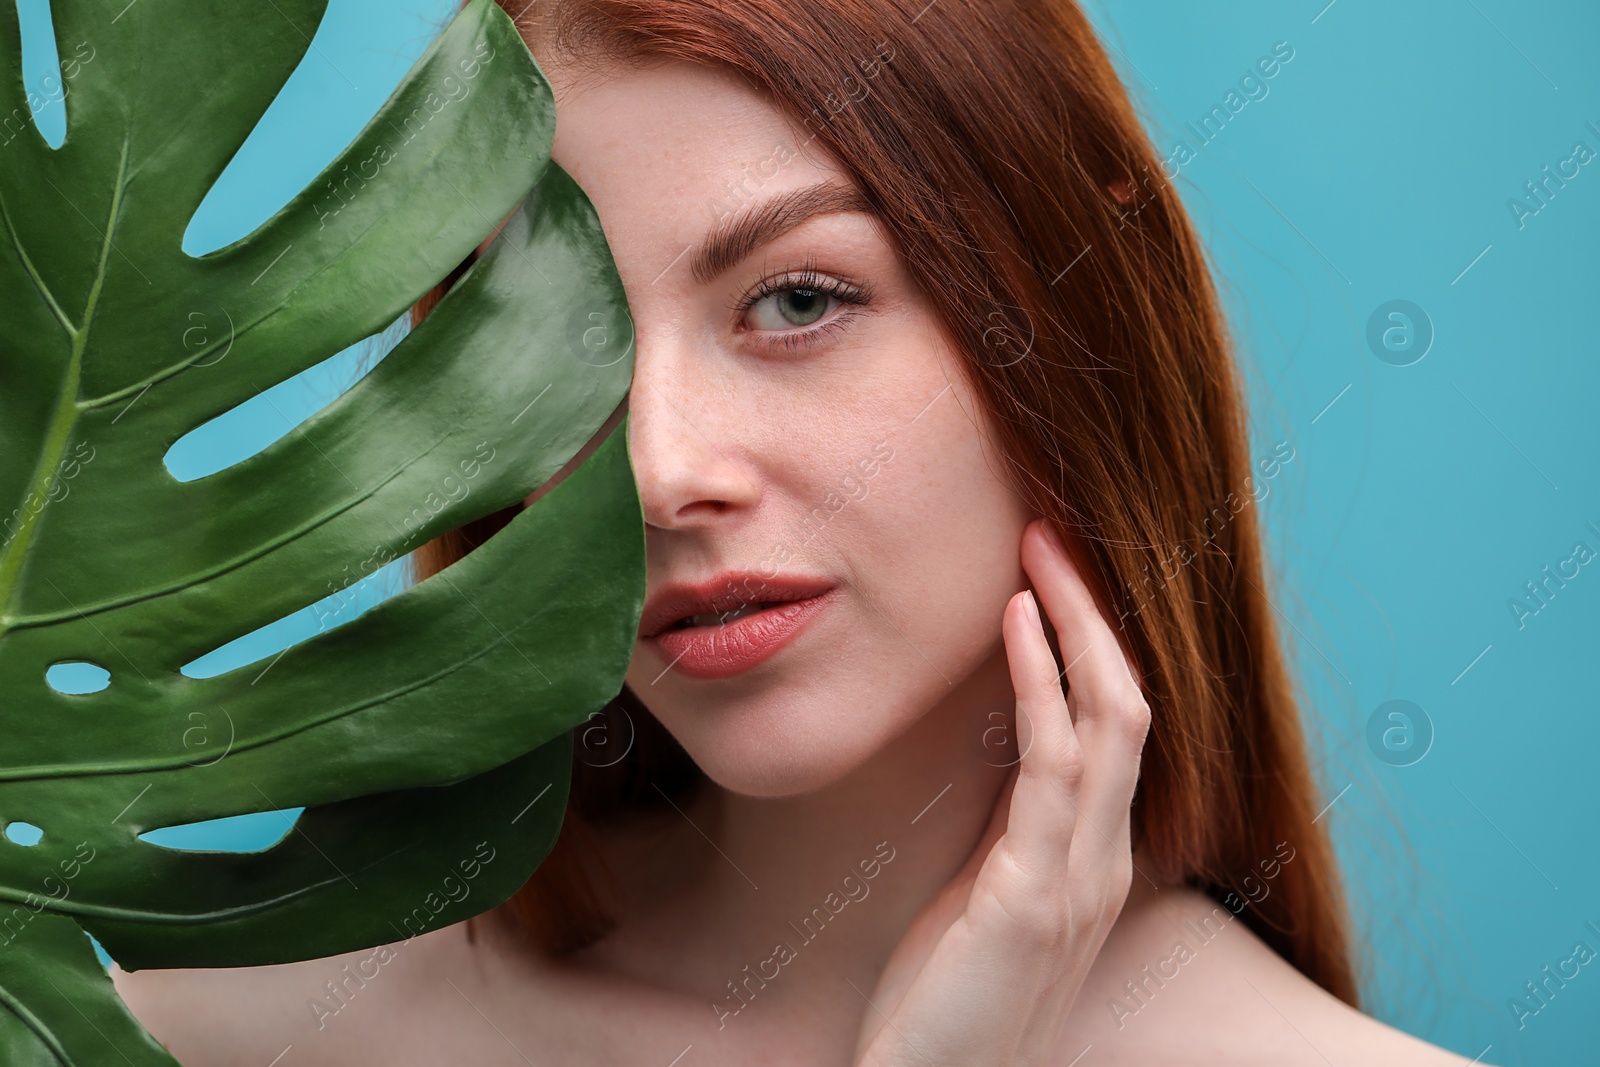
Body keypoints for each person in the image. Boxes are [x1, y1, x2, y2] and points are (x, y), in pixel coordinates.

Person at [114, 0, 1479, 1062]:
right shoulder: (223, 1036)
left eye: (798, 300)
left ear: (1069, 321)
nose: (657, 471)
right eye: (556, 346)